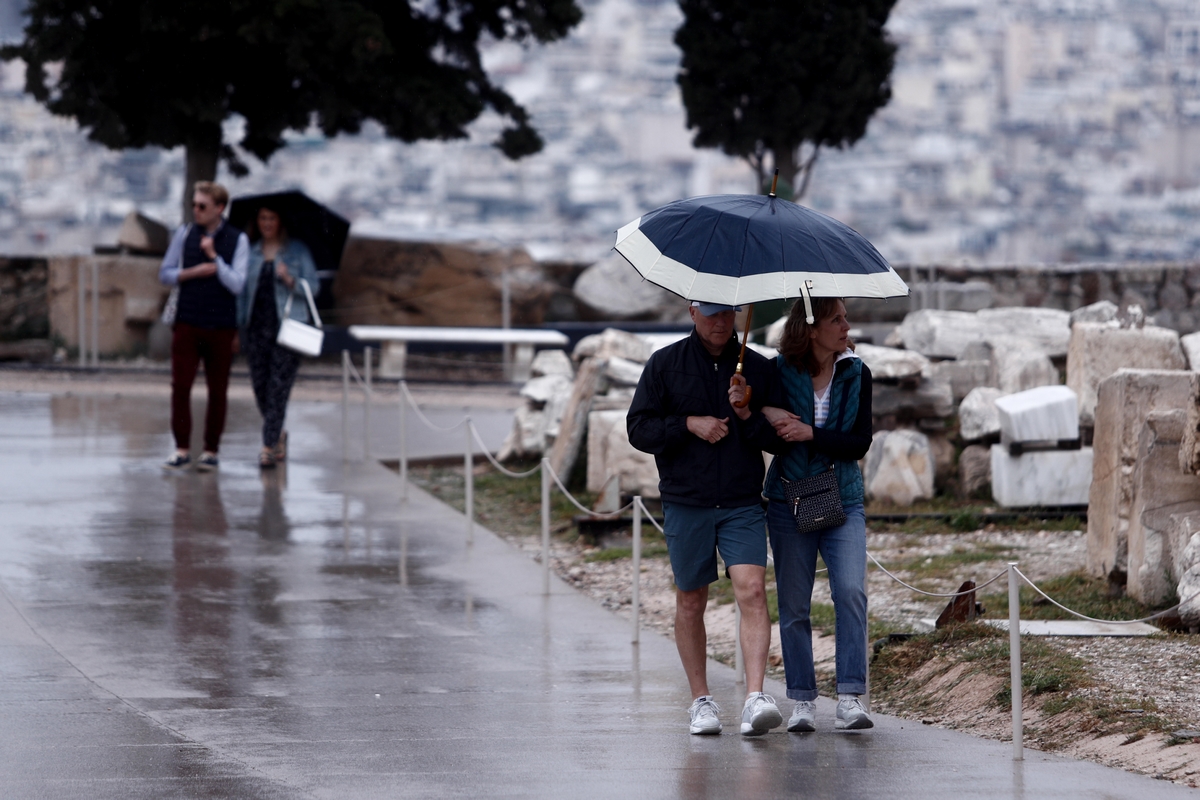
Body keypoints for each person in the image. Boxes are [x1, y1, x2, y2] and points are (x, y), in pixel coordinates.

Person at [627, 301, 786, 736]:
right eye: (711, 312)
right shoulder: (664, 363)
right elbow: (638, 429)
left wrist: (745, 412)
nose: (720, 322)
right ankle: (701, 701)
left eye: (727, 313)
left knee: (752, 591)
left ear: (738, 313)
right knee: (691, 600)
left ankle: (754, 698)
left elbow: (777, 438)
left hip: (741, 500)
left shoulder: (757, 367)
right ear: (692, 311)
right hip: (686, 500)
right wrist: (687, 424)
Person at [761, 297, 874, 732]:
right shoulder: (776, 371)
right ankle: (803, 701)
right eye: (837, 319)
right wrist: (763, 410)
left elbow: (859, 442)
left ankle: (849, 697)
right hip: (789, 498)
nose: (847, 325)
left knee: (850, 591)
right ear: (811, 330)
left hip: (843, 497)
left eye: (845, 318)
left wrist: (811, 432)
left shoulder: (857, 372)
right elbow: (763, 435)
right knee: (793, 604)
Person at [159, 181, 249, 471]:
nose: (196, 211)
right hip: (187, 320)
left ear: (219, 209)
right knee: (180, 386)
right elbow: (165, 273)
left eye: (202, 206)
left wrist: (214, 259)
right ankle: (181, 447)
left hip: (221, 324)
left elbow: (237, 283)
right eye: (194, 205)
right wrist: (191, 272)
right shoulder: (184, 234)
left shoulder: (238, 240)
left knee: (217, 389)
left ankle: (211, 449)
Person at [237, 205, 319, 469]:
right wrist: (238, 329)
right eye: (262, 218)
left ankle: (267, 446)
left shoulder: (297, 251)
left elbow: (314, 287)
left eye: (272, 217)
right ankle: (278, 434)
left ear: (281, 221)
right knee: (260, 386)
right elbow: (242, 295)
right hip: (257, 327)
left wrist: (290, 280)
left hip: (288, 328)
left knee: (278, 388)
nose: (267, 223)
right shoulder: (251, 253)